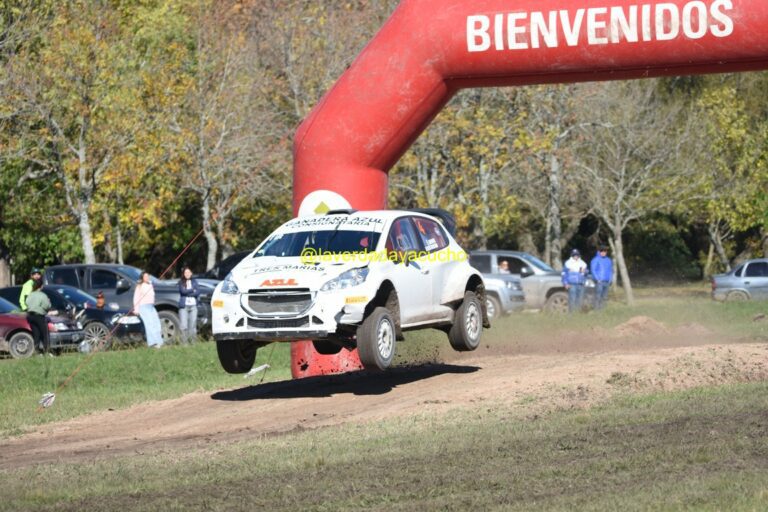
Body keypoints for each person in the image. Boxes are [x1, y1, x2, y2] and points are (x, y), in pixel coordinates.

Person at [133, 271, 163, 348]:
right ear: (142, 278)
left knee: (156, 323)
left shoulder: (150, 284)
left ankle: (159, 341)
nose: (147, 277)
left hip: (151, 307)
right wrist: (136, 309)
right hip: (143, 307)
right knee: (149, 325)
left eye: (148, 276)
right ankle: (153, 343)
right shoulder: (139, 286)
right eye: (145, 276)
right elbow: (136, 298)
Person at [26, 279, 52, 355]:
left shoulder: (30, 295)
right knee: (44, 334)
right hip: (39, 316)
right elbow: (47, 306)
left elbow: (27, 303)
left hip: (30, 316)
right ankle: (46, 351)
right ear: (41, 286)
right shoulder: (42, 295)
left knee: (36, 334)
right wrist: (49, 302)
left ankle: (36, 351)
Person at [177, 266, 201, 344]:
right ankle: (184, 343)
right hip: (184, 306)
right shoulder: (181, 282)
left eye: (188, 272)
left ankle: (193, 343)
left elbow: (198, 292)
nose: (187, 274)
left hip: (193, 306)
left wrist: (188, 292)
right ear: (183, 274)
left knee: (193, 326)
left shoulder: (195, 282)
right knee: (184, 326)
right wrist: (192, 290)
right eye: (185, 272)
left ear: (191, 273)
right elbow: (182, 292)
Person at [561, 248, 587, 313]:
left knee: (580, 299)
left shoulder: (583, 263)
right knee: (572, 299)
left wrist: (585, 271)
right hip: (572, 284)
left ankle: (578, 313)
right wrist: (565, 283)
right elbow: (564, 273)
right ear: (572, 255)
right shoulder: (568, 263)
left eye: (577, 255)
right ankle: (571, 314)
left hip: (580, 284)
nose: (576, 256)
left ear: (579, 255)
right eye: (574, 255)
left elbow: (586, 272)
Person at [590, 245, 613, 310]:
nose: (603, 252)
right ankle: (596, 310)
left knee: (604, 297)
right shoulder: (595, 259)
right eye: (602, 251)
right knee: (598, 296)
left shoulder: (608, 260)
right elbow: (593, 270)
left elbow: (610, 270)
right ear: (599, 251)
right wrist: (597, 279)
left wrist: (610, 279)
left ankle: (603, 309)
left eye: (605, 251)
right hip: (599, 281)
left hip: (607, 281)